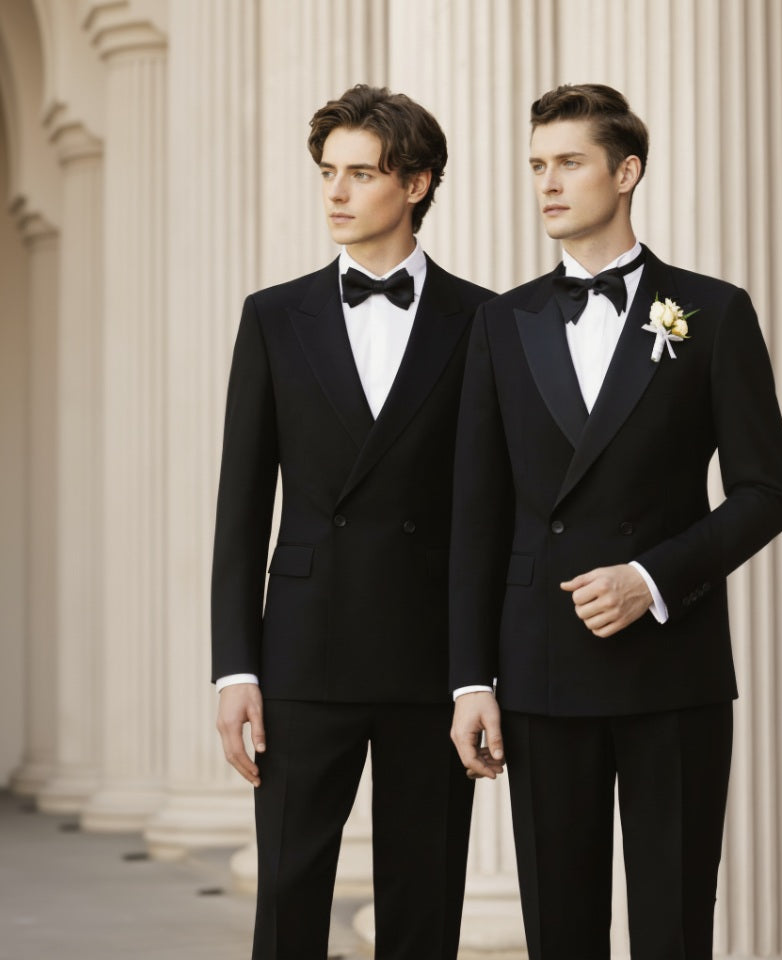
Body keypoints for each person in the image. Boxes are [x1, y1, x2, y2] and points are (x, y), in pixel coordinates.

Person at [449, 83, 782, 960]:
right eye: (536, 165)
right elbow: (476, 516)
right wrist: (470, 680)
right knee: (559, 931)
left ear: (626, 170)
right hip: (540, 668)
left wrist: (649, 579)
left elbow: (764, 492)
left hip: (671, 671)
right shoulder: (501, 322)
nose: (547, 184)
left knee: (673, 927)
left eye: (569, 162)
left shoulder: (712, 311)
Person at [211, 84, 493, 960]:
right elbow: (241, 503)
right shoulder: (272, 316)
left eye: (360, 174)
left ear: (416, 183)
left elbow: (491, 509)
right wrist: (234, 669)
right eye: (327, 172)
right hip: (302, 651)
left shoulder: (486, 319)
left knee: (424, 903)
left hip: (429, 657)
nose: (334, 193)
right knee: (289, 899)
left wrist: (478, 673)